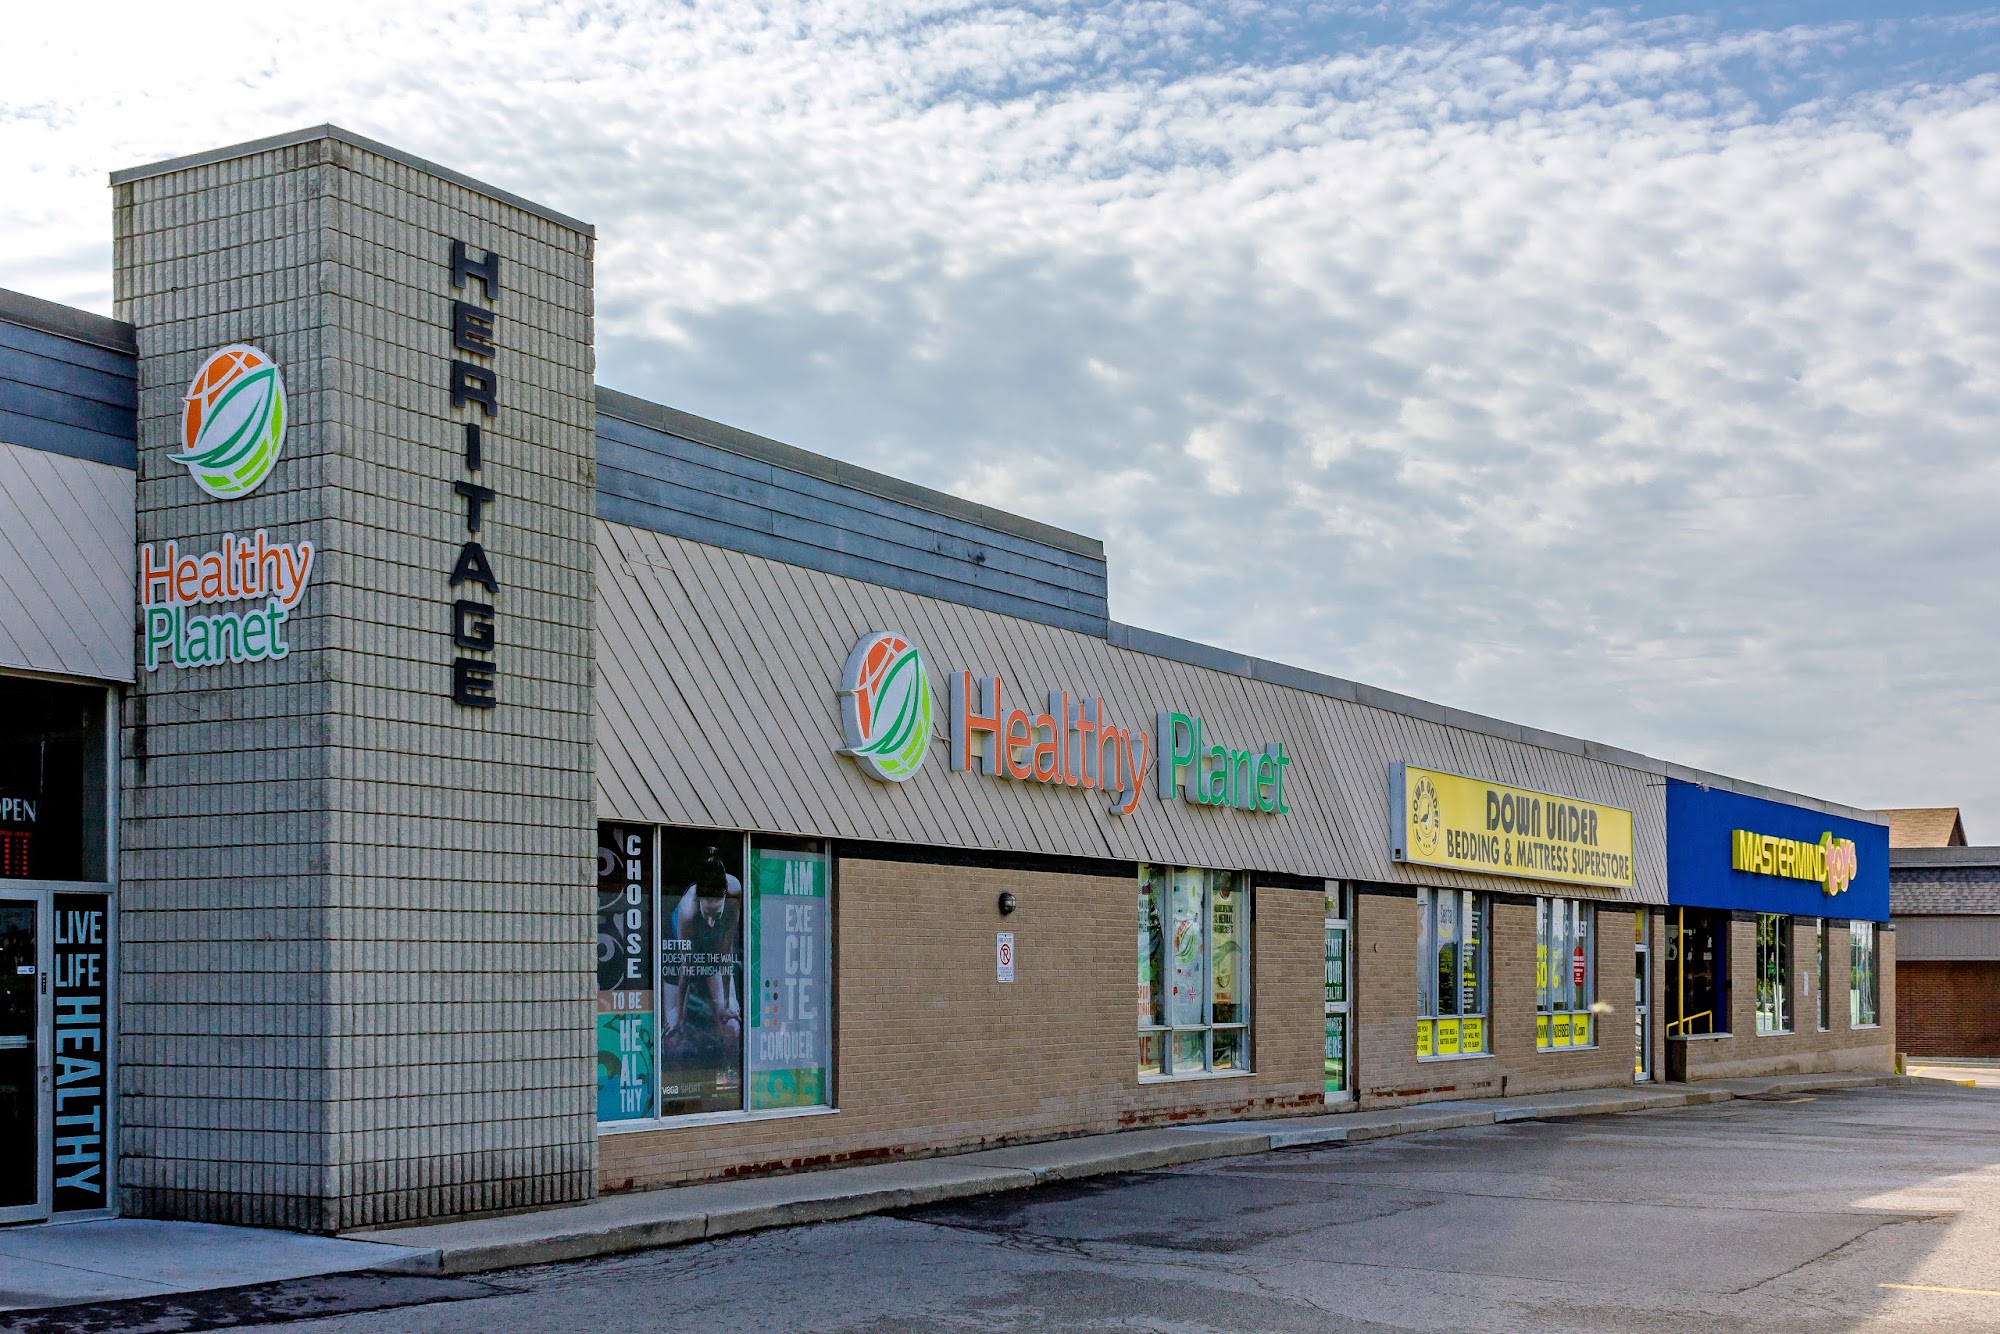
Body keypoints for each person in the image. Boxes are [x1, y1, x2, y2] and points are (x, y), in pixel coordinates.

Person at [662, 849, 742, 1073]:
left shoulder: (735, 891)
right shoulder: (687, 911)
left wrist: (726, 1003)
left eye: (716, 915)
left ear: (725, 895)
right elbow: (687, 967)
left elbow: (725, 953)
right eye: (706, 914)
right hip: (683, 958)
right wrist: (679, 1014)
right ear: (699, 900)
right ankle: (673, 1083)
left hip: (712, 950)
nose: (710, 923)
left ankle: (728, 1077)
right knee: (673, 1034)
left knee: (732, 1026)